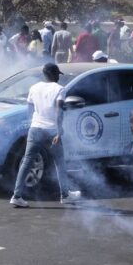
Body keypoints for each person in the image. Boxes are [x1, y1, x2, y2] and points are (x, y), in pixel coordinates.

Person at [9, 63, 81, 208]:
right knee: (59, 162)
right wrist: (59, 131)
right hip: (51, 130)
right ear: (54, 75)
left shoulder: (34, 88)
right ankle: (65, 195)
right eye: (58, 75)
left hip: (35, 128)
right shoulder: (60, 89)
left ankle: (16, 196)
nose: (58, 78)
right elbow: (59, 111)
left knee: (27, 161)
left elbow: (29, 108)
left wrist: (32, 123)